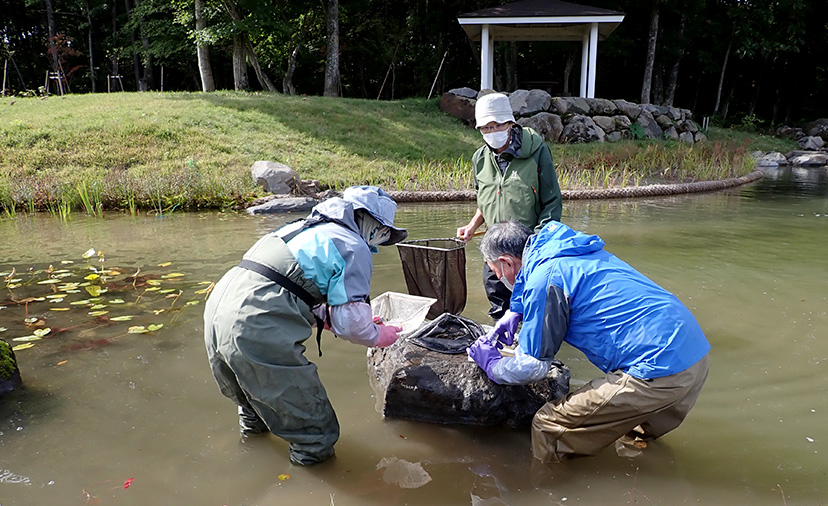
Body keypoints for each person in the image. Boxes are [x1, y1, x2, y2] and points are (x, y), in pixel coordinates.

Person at [467, 220, 710, 464]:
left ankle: (542, 490)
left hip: (659, 370)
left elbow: (532, 367)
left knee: (549, 425)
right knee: (636, 436)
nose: (499, 279)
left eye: (497, 273)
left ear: (507, 262)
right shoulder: (564, 247)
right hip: (695, 355)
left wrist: (492, 365)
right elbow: (538, 276)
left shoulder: (545, 279)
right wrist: (516, 311)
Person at [204, 186, 407, 466]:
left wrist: (341, 321)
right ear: (368, 220)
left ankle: (250, 465)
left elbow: (292, 289)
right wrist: (377, 334)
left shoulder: (301, 227)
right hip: (257, 321)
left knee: (253, 409)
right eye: (384, 232)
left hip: (219, 307)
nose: (380, 241)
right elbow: (352, 325)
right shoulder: (353, 244)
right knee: (316, 435)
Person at [456, 92, 562, 320]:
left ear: (510, 123)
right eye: (485, 128)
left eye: (496, 125)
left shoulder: (537, 151)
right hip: (494, 249)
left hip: (528, 249)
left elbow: (552, 203)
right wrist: (473, 225)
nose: (491, 132)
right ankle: (503, 341)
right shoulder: (480, 158)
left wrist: (537, 244)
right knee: (498, 304)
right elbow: (485, 199)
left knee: (535, 308)